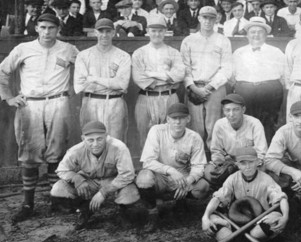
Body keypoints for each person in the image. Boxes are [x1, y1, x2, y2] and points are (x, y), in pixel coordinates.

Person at [0, 14, 78, 224]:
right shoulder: (23, 49)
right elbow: (3, 71)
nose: (46, 32)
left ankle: (57, 199)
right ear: (36, 28)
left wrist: (73, 88)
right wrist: (8, 97)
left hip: (58, 102)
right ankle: (28, 204)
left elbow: (84, 68)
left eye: (51, 28)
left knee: (57, 151)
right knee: (29, 152)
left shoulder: (68, 49)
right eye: (42, 27)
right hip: (30, 104)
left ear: (57, 29)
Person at [202, 146, 289, 242]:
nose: (247, 166)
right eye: (243, 163)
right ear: (237, 164)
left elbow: (282, 199)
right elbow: (217, 198)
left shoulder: (265, 179)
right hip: (234, 223)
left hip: (258, 221)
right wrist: (204, 217)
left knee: (272, 222)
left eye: (251, 162)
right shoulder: (233, 178)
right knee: (212, 220)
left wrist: (285, 217)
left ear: (258, 162)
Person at [50, 121, 140, 230]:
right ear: (83, 139)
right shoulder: (76, 150)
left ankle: (123, 213)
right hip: (90, 181)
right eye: (90, 140)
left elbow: (127, 175)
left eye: (100, 139)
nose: (95, 144)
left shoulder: (119, 147)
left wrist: (104, 192)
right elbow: (61, 170)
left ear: (106, 136)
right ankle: (85, 208)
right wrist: (77, 178)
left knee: (129, 195)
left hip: (114, 181)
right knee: (58, 189)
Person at [136, 103, 210, 232]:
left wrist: (188, 182)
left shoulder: (194, 137)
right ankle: (152, 212)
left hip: (182, 176)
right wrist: (169, 170)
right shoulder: (157, 131)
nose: (178, 121)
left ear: (188, 119)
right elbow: (147, 161)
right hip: (160, 174)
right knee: (143, 179)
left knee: (203, 187)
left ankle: (180, 203)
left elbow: (198, 166)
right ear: (168, 119)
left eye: (182, 118)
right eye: (174, 118)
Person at [180, 6, 232, 146]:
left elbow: (227, 68)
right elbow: (185, 67)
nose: (208, 21)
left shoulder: (223, 40)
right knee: (194, 126)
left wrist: (209, 87)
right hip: (194, 87)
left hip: (215, 88)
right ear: (199, 18)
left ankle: (214, 160)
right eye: (205, 17)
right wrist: (194, 88)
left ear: (216, 19)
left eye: (211, 18)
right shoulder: (189, 40)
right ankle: (196, 159)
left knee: (214, 126)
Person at [132, 16, 186, 150]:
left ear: (165, 31)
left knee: (171, 135)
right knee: (145, 134)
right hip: (146, 96)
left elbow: (179, 74)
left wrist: (151, 74)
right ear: (147, 31)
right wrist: (167, 77)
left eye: (160, 31)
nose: (157, 34)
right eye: (154, 30)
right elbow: (139, 78)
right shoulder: (139, 53)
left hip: (170, 96)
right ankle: (148, 167)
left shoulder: (173, 52)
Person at [74, 18, 132, 142]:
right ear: (95, 32)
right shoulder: (83, 55)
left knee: (115, 143)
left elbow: (122, 84)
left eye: (108, 31)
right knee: (91, 142)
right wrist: (111, 83)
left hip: (114, 102)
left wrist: (93, 79)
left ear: (113, 33)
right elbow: (79, 86)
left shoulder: (123, 56)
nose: (104, 35)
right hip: (91, 102)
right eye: (101, 31)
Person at [232, 17, 286, 143]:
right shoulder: (239, 53)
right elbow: (233, 76)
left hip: (269, 92)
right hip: (246, 91)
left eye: (260, 32)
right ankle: (248, 154)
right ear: (247, 35)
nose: (256, 35)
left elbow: (284, 74)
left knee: (269, 123)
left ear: (266, 34)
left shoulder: (276, 52)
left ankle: (268, 154)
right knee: (246, 122)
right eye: (252, 32)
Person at [204, 94, 268, 189]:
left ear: (243, 110)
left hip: (250, 162)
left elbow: (261, 152)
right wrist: (221, 165)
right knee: (209, 172)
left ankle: (250, 189)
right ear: (223, 111)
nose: (231, 114)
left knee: (263, 168)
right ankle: (226, 190)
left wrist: (248, 164)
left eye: (236, 109)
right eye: (227, 110)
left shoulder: (255, 123)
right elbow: (216, 151)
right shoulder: (219, 124)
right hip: (229, 161)